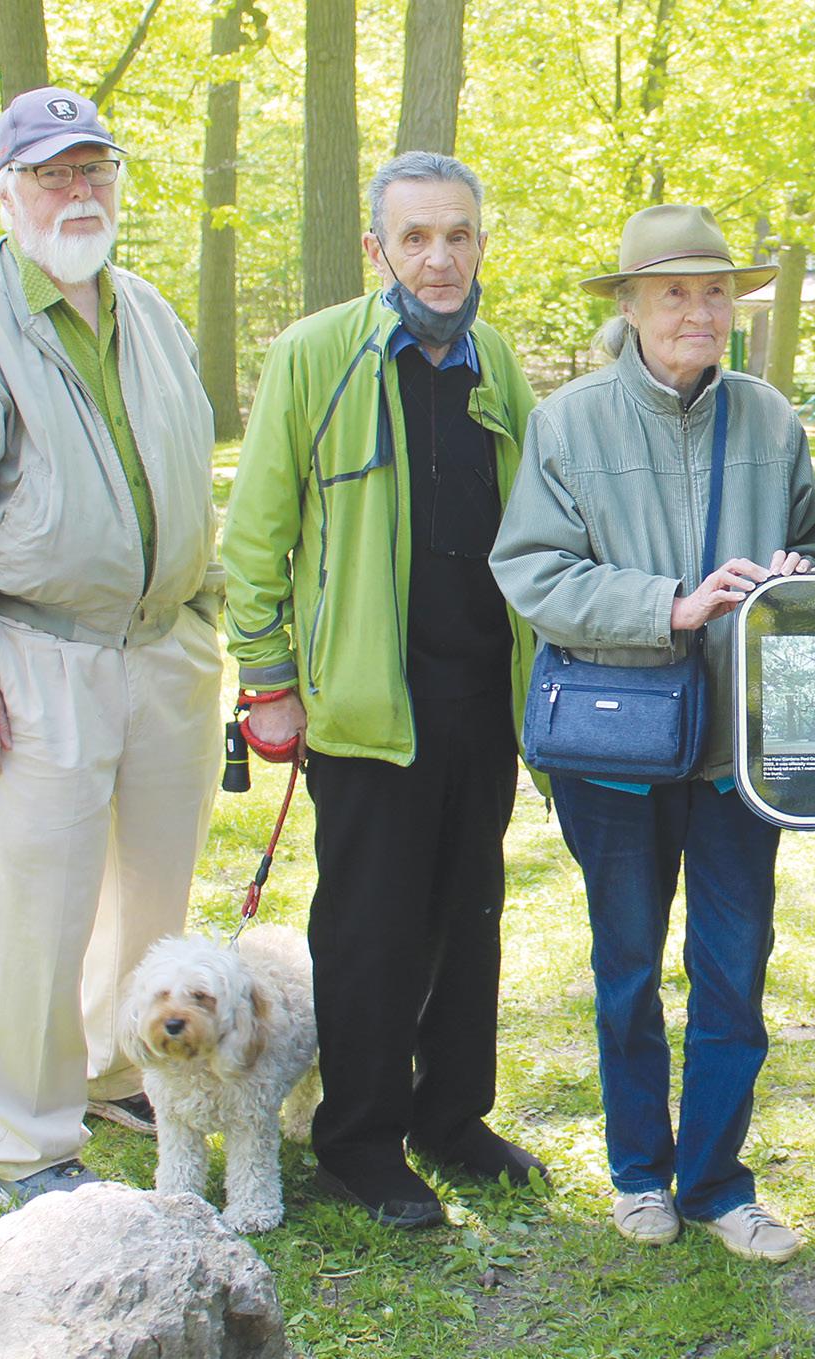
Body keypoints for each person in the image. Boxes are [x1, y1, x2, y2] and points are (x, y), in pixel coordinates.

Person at [0, 86, 223, 1208]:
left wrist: (205, 614)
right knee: (29, 908)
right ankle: (20, 1144)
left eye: (93, 170)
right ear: (7, 192)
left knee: (151, 891)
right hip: (33, 656)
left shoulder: (147, 311)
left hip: (163, 649)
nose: (78, 192)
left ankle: (115, 1066)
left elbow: (185, 475)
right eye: (51, 174)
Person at [490, 204, 815, 1263]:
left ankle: (718, 1182)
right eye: (674, 291)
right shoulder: (567, 422)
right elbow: (531, 572)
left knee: (734, 970)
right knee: (628, 968)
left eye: (715, 291)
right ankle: (639, 1173)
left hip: (737, 752)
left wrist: (799, 574)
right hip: (615, 747)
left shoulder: (769, 419)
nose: (699, 311)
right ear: (631, 306)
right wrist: (668, 606)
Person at [221, 151, 545, 1230]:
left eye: (457, 235)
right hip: (364, 703)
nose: (438, 257)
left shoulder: (496, 361)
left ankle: (452, 1118)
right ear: (376, 249)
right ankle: (359, 1140)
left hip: (481, 697)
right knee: (371, 929)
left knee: (470, 914)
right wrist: (268, 680)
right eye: (415, 237)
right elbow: (255, 536)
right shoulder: (315, 355)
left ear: (480, 244)